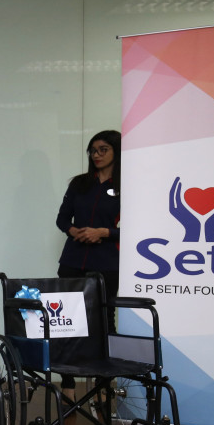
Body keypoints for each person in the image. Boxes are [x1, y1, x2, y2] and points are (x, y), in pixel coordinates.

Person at [54, 129, 121, 395]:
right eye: (93, 150)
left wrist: (104, 232)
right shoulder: (80, 183)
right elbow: (62, 219)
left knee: (104, 320)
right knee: (66, 320)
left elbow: (140, 228)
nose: (96, 155)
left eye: (103, 149)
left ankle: (105, 384)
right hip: (72, 260)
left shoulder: (129, 184)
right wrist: (75, 232)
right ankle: (68, 383)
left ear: (116, 151)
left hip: (107, 263)